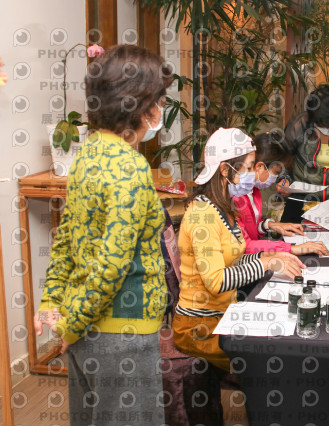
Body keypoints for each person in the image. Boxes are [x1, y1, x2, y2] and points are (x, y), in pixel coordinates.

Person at [34, 44, 170, 425]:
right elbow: (112, 266)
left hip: (85, 330)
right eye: (160, 100)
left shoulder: (87, 154)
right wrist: (71, 326)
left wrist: (53, 302)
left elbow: (66, 237)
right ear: (142, 106)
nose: (161, 110)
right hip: (124, 333)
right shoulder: (131, 168)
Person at [172, 128, 304, 373]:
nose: (252, 174)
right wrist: (265, 263)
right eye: (248, 167)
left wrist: (270, 256)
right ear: (225, 170)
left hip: (222, 315)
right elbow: (217, 281)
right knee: (271, 360)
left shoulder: (223, 207)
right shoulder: (203, 215)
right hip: (198, 326)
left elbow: (233, 260)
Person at [233, 132, 329, 256]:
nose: (276, 178)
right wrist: (291, 248)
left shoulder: (254, 191)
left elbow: (250, 229)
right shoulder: (237, 196)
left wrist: (270, 225)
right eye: (276, 172)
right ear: (260, 167)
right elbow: (243, 245)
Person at [280, 85, 329, 223]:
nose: (325, 128)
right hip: (301, 200)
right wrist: (284, 179)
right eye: (320, 123)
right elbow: (282, 157)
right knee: (290, 233)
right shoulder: (298, 126)